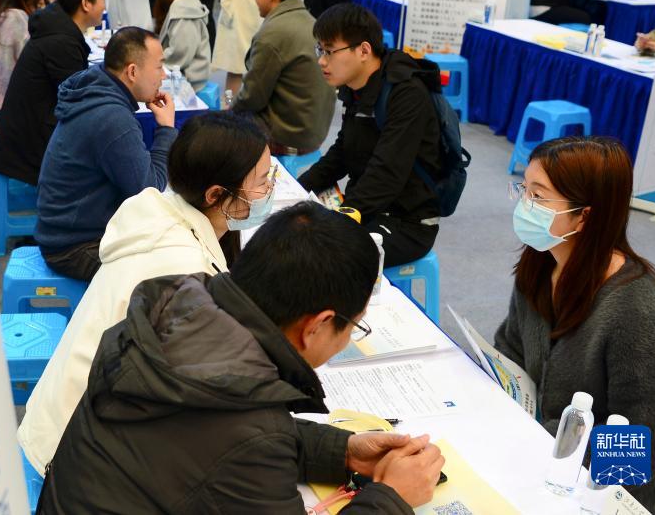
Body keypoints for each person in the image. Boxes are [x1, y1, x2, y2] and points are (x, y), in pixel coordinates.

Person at [37, 202, 446, 513]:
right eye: (355, 326)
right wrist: (393, 496)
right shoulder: (251, 436)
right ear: (318, 324)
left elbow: (210, 440)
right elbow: (241, 440)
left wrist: (343, 451)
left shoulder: (175, 312)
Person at [19, 111, 272, 473]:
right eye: (262, 182)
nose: (269, 191)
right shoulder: (183, 271)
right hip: (75, 458)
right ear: (216, 194)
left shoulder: (159, 211)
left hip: (59, 424)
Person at [495, 136, 655, 513]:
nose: (524, 204)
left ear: (584, 216)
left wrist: (554, 461)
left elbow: (646, 445)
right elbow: (510, 348)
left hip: (609, 491)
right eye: (523, 189)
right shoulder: (540, 264)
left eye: (538, 196)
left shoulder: (636, 308)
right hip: (540, 451)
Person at [299, 4, 441, 267]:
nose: (321, 60)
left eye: (329, 51)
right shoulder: (356, 87)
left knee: (319, 258)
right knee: (294, 232)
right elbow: (343, 151)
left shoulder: (406, 93)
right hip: (367, 208)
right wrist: (298, 188)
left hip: (406, 222)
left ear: (363, 51)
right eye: (320, 50)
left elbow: (386, 173)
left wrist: (342, 218)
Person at [34, 27, 177, 281]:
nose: (163, 75)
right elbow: (149, 192)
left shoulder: (95, 92)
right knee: (169, 272)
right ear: (132, 72)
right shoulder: (113, 118)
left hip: (63, 230)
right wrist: (166, 129)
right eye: (159, 67)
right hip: (74, 247)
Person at [0, 0, 104, 186]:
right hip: (31, 147)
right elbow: (78, 102)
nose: (104, 6)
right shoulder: (61, 42)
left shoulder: (57, 31)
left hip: (32, 132)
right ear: (86, 4)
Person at [232, 0, 335, 157]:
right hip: (315, 131)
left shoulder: (272, 34)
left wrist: (228, 113)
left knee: (224, 129)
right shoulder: (313, 23)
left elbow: (252, 97)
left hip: (289, 137)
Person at [148, 0, 211, 88]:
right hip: (178, 75)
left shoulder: (184, 13)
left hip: (187, 81)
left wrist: (149, 61)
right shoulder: (174, 5)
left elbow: (179, 54)